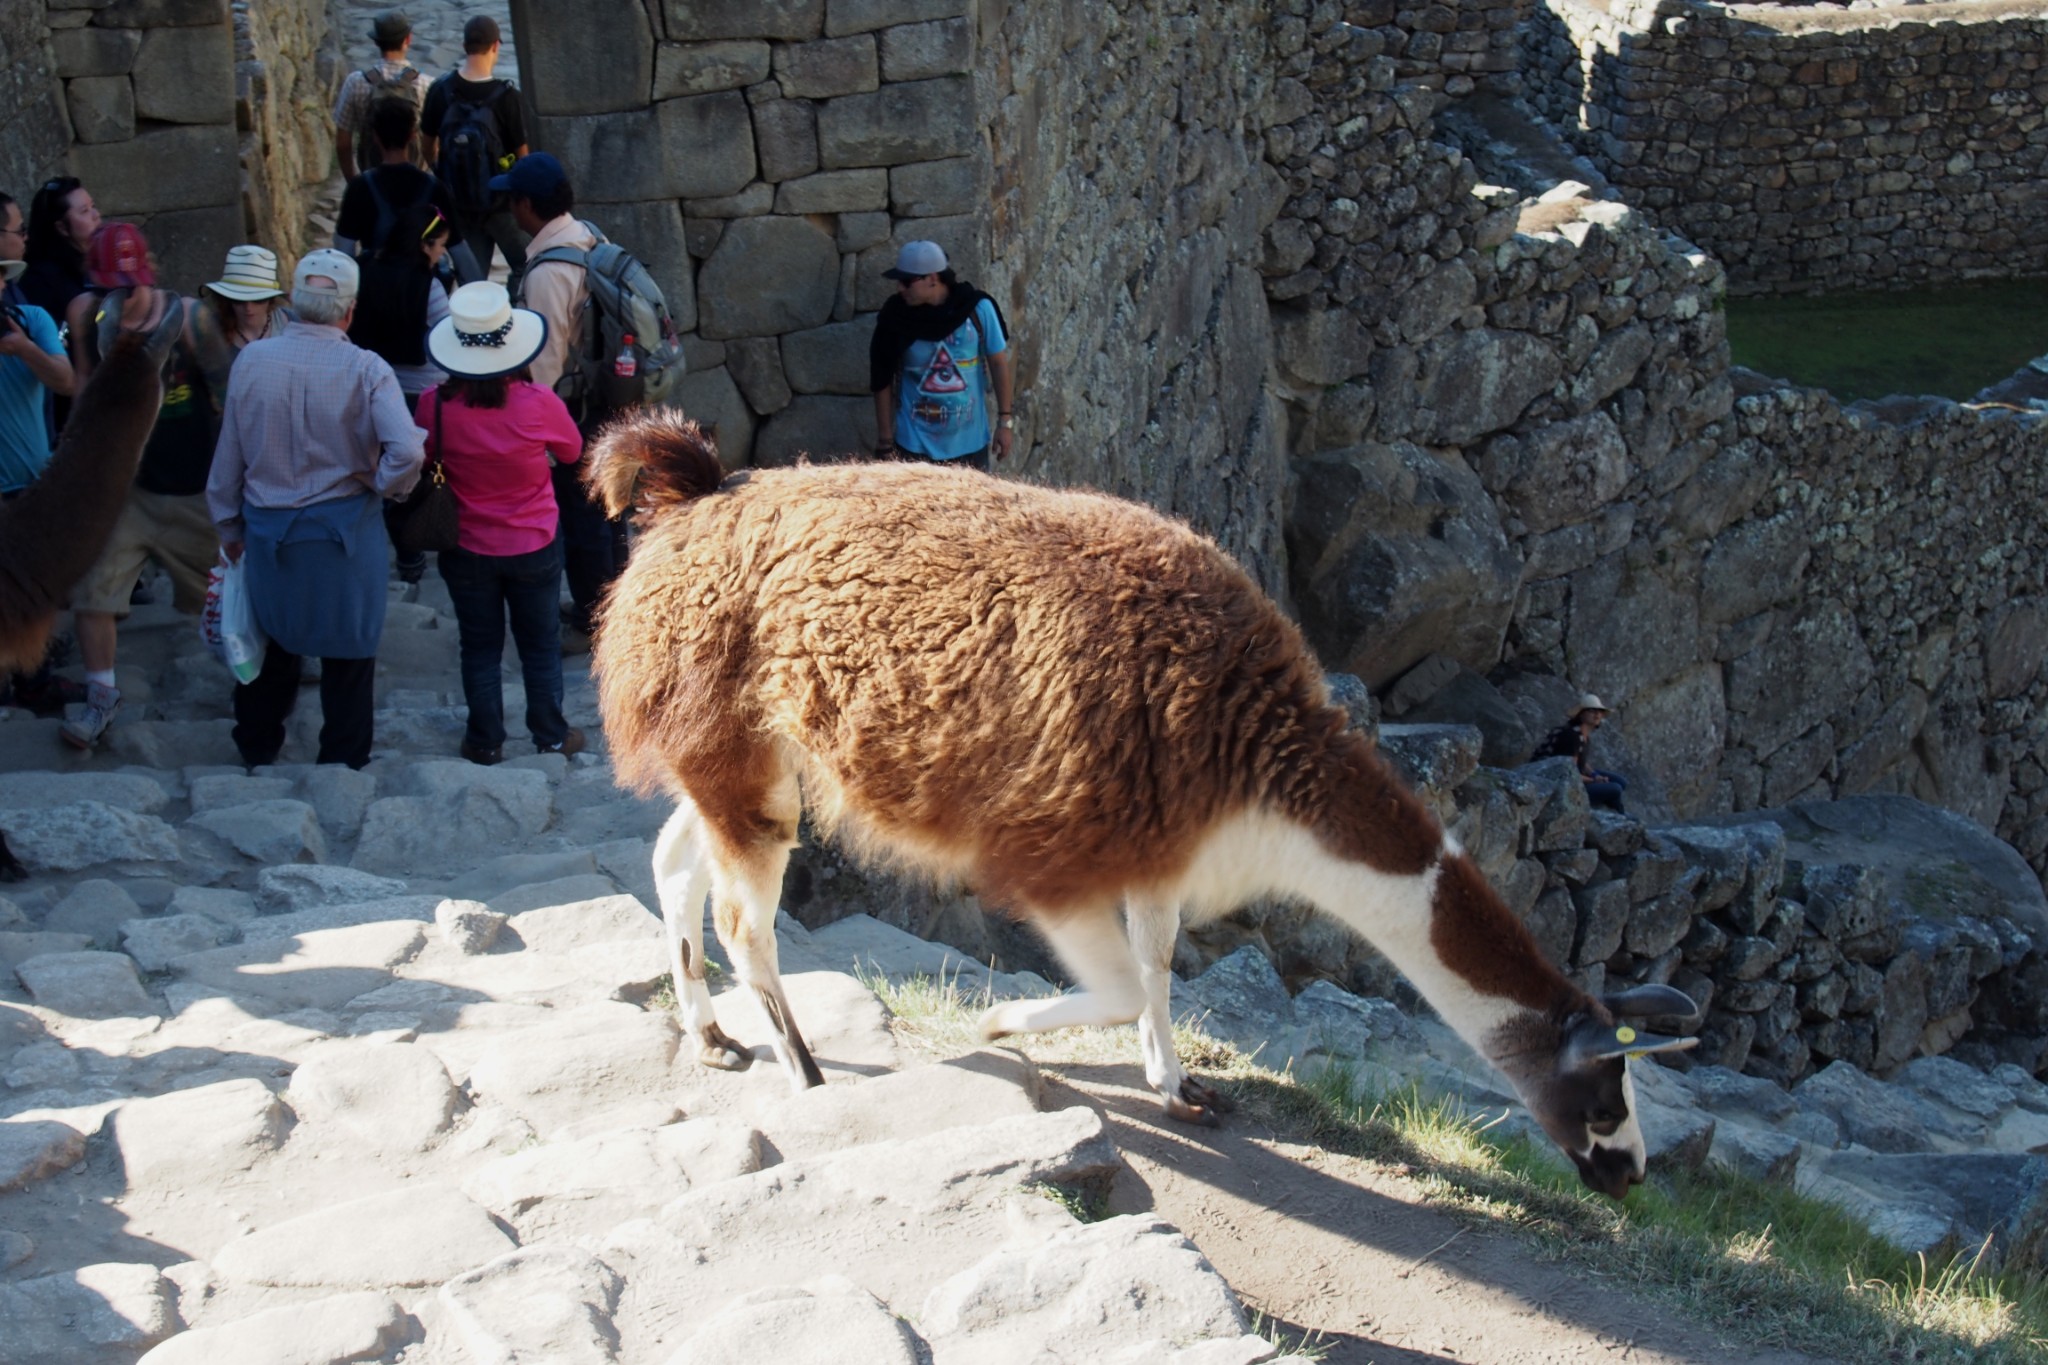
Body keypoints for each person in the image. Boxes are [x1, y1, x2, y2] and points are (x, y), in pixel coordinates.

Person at [206, 249, 425, 770]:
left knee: (274, 644)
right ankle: (343, 763)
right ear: (349, 312)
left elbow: (228, 457)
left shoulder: (252, 362)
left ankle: (258, 750)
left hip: (268, 530)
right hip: (345, 531)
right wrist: (384, 484)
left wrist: (228, 524)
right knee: (348, 652)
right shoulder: (366, 369)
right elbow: (409, 450)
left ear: (293, 306)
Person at [60, 224, 221, 749]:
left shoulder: (192, 321)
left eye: (127, 284)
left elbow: (228, 394)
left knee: (223, 597)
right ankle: (101, 694)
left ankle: (269, 672)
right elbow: (84, 388)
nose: (123, 294)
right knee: (93, 590)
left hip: (193, 485)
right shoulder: (88, 316)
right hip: (124, 487)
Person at [418, 281, 585, 764]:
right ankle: (551, 734)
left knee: (480, 647)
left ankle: (485, 740)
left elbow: (424, 455)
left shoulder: (434, 405)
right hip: (533, 543)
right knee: (540, 646)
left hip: (466, 546)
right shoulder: (539, 404)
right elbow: (572, 452)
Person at [503, 153, 613, 648]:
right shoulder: (590, 236)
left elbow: (545, 361)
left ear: (526, 204)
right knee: (608, 511)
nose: (509, 209)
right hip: (605, 396)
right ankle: (613, 610)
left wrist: (541, 437)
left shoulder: (548, 271)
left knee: (581, 516)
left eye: (512, 200)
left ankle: (594, 625)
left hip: (573, 410)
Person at [0, 191, 80, 717]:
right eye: (16, 228)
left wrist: (23, 348)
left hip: (27, 480)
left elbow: (67, 381)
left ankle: (34, 681)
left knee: (32, 592)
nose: (25, 235)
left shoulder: (31, 319)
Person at [349, 202, 453, 595]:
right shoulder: (430, 287)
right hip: (421, 390)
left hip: (372, 386)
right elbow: (444, 339)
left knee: (383, 469)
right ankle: (419, 552)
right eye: (440, 245)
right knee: (420, 475)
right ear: (424, 245)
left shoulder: (363, 271)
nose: (442, 253)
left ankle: (402, 556)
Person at [869, 240, 1017, 472]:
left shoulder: (978, 309)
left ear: (932, 278)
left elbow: (998, 364)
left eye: (907, 282)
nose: (900, 288)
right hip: (913, 449)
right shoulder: (895, 318)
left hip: (970, 448)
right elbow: (881, 378)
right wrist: (885, 442)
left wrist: (1005, 422)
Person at [421, 15, 528, 286]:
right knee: (526, 267)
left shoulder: (440, 91)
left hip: (461, 206)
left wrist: (444, 173)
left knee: (473, 282)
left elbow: (427, 146)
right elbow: (522, 156)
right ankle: (516, 316)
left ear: (464, 45)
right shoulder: (507, 98)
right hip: (502, 205)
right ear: (495, 46)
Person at [333, 97, 471, 274]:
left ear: (375, 136)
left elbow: (344, 250)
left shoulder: (360, 187)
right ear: (413, 135)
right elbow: (458, 249)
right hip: (424, 287)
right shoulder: (434, 188)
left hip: (376, 284)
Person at [332, 10, 426, 180]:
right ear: (408, 40)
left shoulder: (355, 82)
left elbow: (342, 143)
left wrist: (354, 182)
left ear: (376, 42)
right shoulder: (426, 84)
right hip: (415, 180)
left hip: (372, 178)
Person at [17, 178, 99, 324]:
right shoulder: (40, 282)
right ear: (61, 227)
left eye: (93, 206)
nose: (96, 215)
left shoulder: (99, 262)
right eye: (84, 211)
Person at [1533, 692, 1628, 812]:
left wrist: (1594, 775)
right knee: (1615, 788)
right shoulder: (1571, 736)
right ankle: (1618, 813)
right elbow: (1568, 772)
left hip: (1575, 775)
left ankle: (1613, 808)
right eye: (1592, 711)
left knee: (1621, 782)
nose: (1597, 714)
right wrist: (1594, 781)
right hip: (1562, 784)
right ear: (1581, 715)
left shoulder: (1584, 735)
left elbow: (1581, 762)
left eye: (1599, 711)